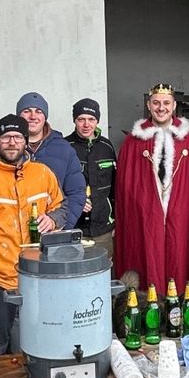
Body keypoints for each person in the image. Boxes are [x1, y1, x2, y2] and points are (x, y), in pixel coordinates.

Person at [0, 115, 66, 356]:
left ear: (26, 141)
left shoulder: (43, 173)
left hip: (38, 278)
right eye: (6, 137)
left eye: (18, 137)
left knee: (40, 344)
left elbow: (62, 207)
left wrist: (54, 218)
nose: (12, 142)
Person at [113, 83, 189, 293]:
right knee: (147, 259)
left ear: (174, 106)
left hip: (181, 217)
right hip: (144, 217)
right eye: (156, 103)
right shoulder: (133, 141)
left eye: (166, 103)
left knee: (179, 259)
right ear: (148, 105)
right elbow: (126, 187)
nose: (161, 108)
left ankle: (180, 308)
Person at [0, 92, 85, 228]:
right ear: (18, 115)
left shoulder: (64, 149)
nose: (33, 116)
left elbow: (76, 193)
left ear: (45, 116)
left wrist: (60, 225)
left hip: (52, 235)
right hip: (7, 238)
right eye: (27, 111)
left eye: (39, 111)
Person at [64, 98, 117, 259]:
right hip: (73, 228)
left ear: (97, 121)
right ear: (75, 120)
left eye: (91, 119)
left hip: (103, 229)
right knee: (75, 275)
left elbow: (116, 188)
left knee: (103, 273)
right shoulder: (65, 147)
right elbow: (54, 187)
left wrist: (115, 221)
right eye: (81, 119)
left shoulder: (106, 147)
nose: (86, 125)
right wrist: (73, 200)